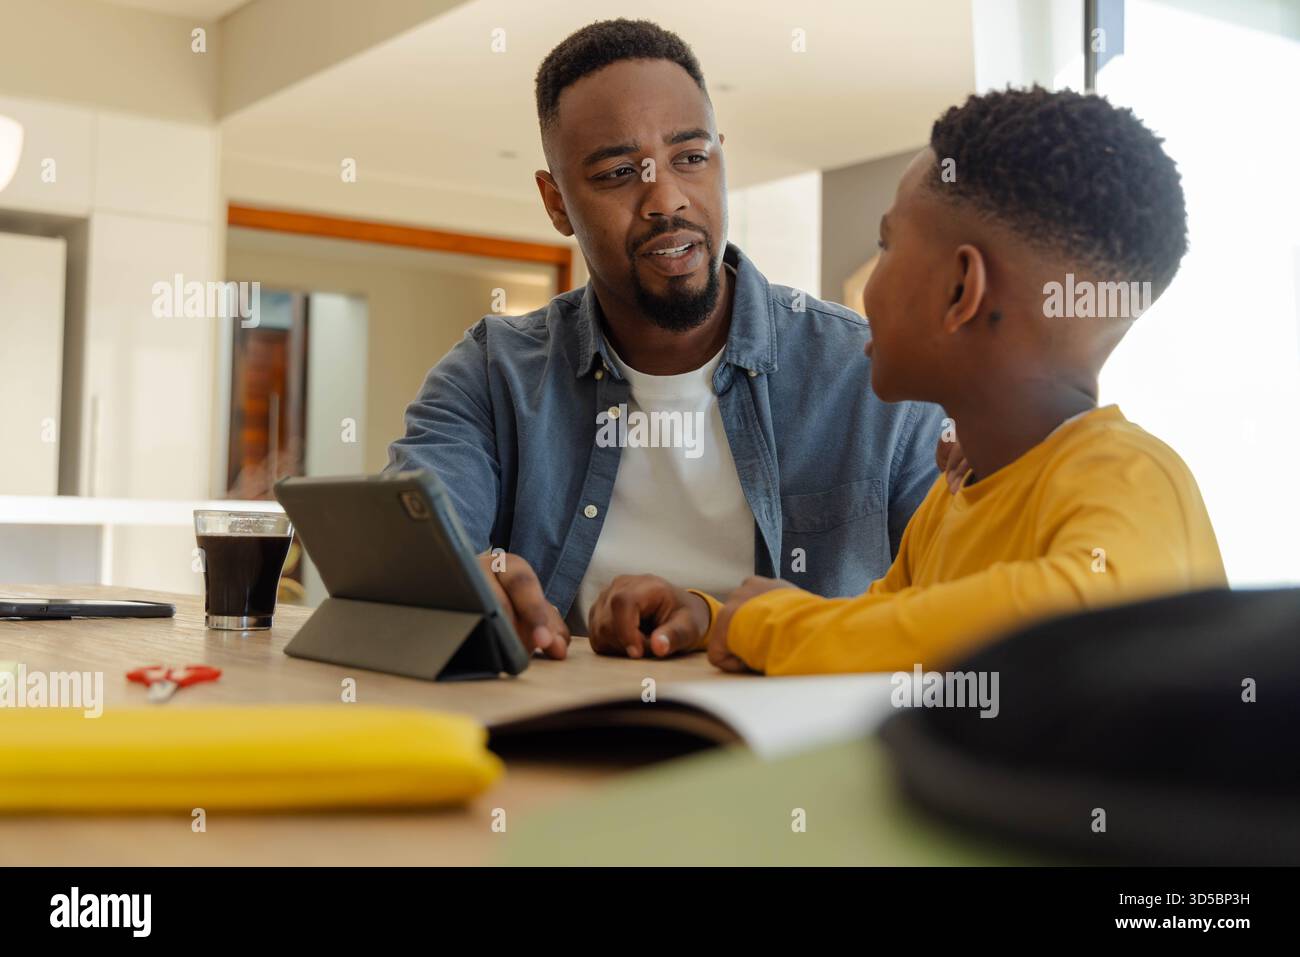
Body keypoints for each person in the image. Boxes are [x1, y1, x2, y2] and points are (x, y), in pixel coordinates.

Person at [590, 86, 1226, 675]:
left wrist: (767, 623)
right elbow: (883, 624)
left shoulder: (1134, 474)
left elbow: (1060, 625)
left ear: (960, 290)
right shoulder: (953, 497)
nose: (869, 284)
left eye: (886, 245)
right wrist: (713, 616)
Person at [387, 19, 950, 660]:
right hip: (560, 720)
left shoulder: (872, 376)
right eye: (619, 172)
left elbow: (959, 617)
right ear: (556, 203)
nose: (667, 199)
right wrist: (451, 579)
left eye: (691, 158)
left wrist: (719, 620)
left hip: (802, 724)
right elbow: (410, 550)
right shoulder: (492, 375)